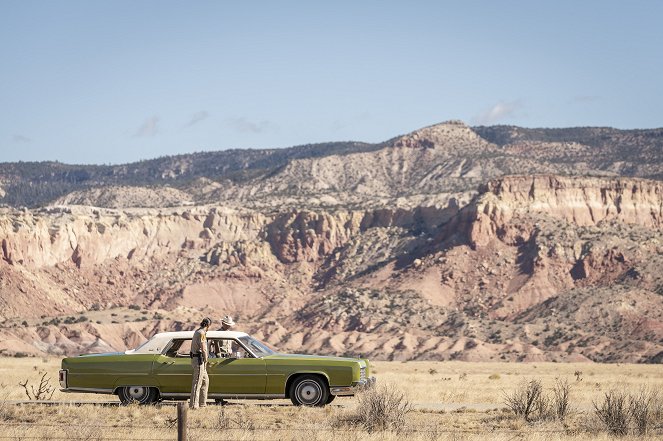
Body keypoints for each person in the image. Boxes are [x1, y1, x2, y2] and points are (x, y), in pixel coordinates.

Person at [189, 317, 211, 409]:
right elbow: (204, 348)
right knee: (197, 383)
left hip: (197, 359)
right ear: (207, 325)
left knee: (205, 381)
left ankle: (202, 404)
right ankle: (194, 405)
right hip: (199, 360)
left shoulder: (197, 331)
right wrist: (206, 359)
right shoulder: (201, 333)